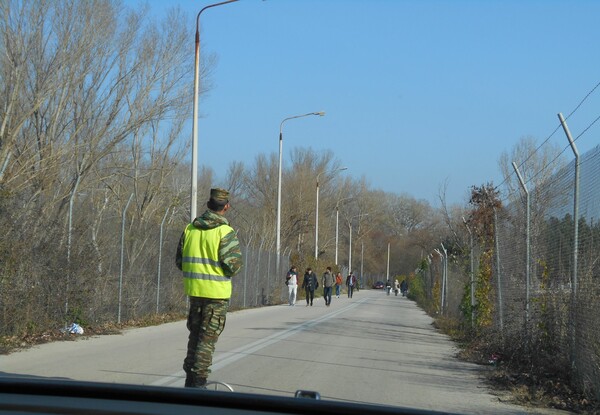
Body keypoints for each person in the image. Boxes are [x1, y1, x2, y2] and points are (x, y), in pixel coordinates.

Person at [176, 188, 243, 389]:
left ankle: (190, 382)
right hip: (216, 296)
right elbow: (234, 265)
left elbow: (180, 261)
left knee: (195, 338)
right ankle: (198, 386)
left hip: (195, 292)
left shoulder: (190, 229)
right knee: (206, 343)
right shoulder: (225, 232)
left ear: (208, 205)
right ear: (226, 207)